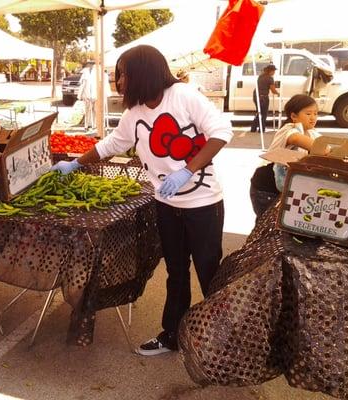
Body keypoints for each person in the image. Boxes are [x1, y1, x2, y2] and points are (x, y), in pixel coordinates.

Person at [51, 45, 233, 356]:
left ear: (142, 74)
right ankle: (172, 334)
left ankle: (227, 339)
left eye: (123, 74)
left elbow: (221, 131)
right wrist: (76, 163)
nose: (119, 81)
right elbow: (113, 144)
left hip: (203, 204)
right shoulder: (134, 112)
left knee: (209, 271)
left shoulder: (183, 96)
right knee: (176, 271)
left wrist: (187, 171)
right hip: (167, 205)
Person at [249, 94, 319, 218]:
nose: (313, 118)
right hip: (266, 188)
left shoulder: (311, 132)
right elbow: (296, 139)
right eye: (308, 114)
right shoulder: (289, 129)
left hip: (285, 188)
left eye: (316, 113)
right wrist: (325, 149)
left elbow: (325, 143)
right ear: (293, 116)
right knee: (266, 227)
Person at [78, 61, 110, 131]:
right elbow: (82, 85)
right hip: (89, 95)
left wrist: (106, 94)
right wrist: (80, 95)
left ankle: (94, 125)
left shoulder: (101, 75)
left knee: (94, 110)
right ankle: (88, 125)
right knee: (89, 111)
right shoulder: (86, 74)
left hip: (95, 95)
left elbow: (105, 85)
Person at [250, 64, 279, 133]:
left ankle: (253, 128)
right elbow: (273, 90)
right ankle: (261, 129)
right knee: (264, 113)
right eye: (274, 71)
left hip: (256, 95)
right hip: (263, 97)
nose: (274, 72)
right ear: (271, 71)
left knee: (259, 112)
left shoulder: (261, 76)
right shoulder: (270, 78)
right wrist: (278, 93)